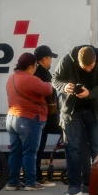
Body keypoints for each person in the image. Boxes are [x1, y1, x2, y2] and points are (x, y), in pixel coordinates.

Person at [52, 45, 98, 195]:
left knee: (97, 149)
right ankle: (74, 186)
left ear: (95, 59)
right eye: (84, 67)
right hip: (72, 112)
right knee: (73, 148)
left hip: (95, 111)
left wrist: (89, 93)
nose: (88, 70)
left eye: (90, 67)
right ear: (78, 62)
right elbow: (55, 79)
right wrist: (65, 87)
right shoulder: (67, 59)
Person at [5, 52, 53, 191]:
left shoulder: (11, 78)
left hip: (12, 118)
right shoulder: (30, 79)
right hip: (28, 119)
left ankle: (12, 182)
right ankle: (30, 182)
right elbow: (48, 89)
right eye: (36, 65)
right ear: (31, 66)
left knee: (15, 152)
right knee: (30, 152)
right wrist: (49, 83)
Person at [34, 44, 60, 186]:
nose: (51, 61)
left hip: (44, 117)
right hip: (42, 117)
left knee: (38, 147)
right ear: (44, 59)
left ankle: (37, 177)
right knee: (38, 147)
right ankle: (37, 177)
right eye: (50, 58)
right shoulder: (41, 74)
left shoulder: (41, 72)